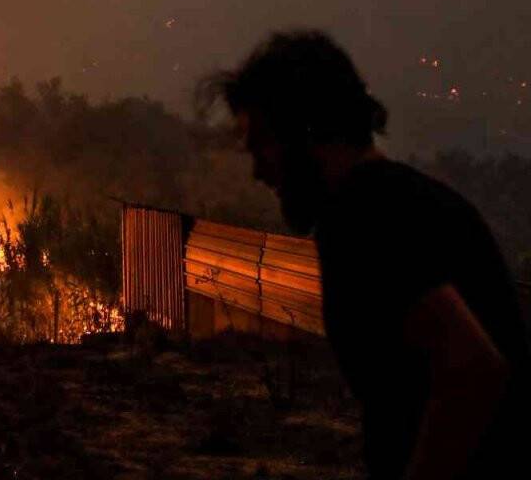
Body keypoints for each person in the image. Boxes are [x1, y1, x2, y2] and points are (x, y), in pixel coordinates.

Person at [203, 30, 530, 479]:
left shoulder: (363, 217)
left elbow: (473, 369)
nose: (259, 171)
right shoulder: (407, 199)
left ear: (306, 131)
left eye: (263, 145)